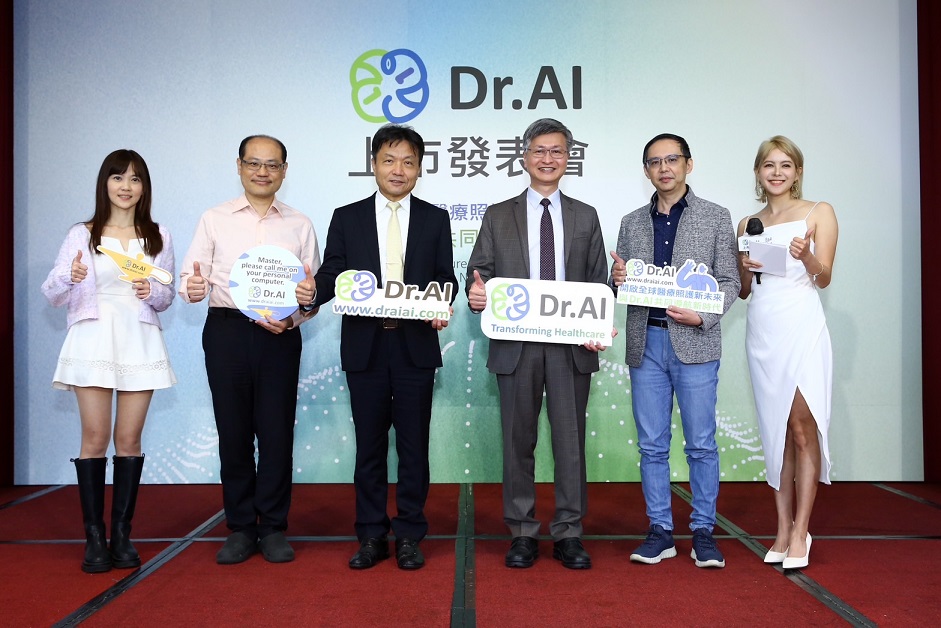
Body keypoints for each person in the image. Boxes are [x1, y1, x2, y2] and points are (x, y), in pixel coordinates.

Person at [295, 123, 456, 571]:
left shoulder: (434, 218)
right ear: (374, 165)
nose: (398, 169)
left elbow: (445, 276)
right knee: (368, 447)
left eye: (408, 162)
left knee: (413, 447)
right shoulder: (347, 217)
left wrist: (441, 303)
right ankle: (370, 535)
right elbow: (333, 273)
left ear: (419, 168)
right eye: (389, 160)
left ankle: (409, 535)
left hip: (414, 347)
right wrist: (312, 292)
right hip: (365, 346)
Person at [465, 118, 608, 570]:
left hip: (571, 348)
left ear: (569, 158)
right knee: (517, 441)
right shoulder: (498, 214)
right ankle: (522, 532)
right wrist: (476, 294)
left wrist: (599, 322)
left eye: (557, 151)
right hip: (516, 346)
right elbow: (479, 274)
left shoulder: (585, 215)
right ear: (524, 157)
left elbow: (598, 281)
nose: (548, 159)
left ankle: (569, 532)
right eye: (539, 151)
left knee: (570, 443)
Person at [180, 135, 320, 565]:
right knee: (234, 431)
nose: (263, 172)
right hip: (227, 332)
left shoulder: (299, 224)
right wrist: (193, 287)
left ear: (284, 171)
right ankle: (241, 527)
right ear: (239, 166)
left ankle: (273, 526)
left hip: (279, 336)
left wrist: (297, 314)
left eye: (272, 165)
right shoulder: (214, 218)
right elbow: (191, 279)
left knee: (277, 433)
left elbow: (312, 295)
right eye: (254, 163)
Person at [42, 149, 176, 573]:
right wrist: (70, 277)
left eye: (135, 179)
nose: (125, 186)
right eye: (118, 177)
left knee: (129, 440)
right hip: (93, 337)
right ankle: (94, 538)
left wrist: (151, 292)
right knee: (95, 437)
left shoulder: (158, 235)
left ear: (144, 187)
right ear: (105, 184)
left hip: (139, 338)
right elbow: (52, 292)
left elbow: (166, 296)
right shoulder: (82, 234)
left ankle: (121, 535)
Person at [610, 133, 740, 568]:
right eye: (654, 162)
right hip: (645, 342)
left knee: (701, 444)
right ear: (646, 170)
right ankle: (660, 530)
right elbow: (621, 282)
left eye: (672, 159)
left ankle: (703, 531)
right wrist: (617, 278)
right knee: (652, 445)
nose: (663, 168)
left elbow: (730, 281)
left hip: (696, 342)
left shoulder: (715, 216)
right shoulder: (631, 222)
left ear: (688, 164)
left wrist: (703, 317)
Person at [738, 135, 837, 570]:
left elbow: (824, 277)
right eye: (769, 165)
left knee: (801, 428)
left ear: (797, 172)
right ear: (758, 172)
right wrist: (744, 269)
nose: (776, 173)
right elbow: (745, 291)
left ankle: (801, 532)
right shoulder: (747, 224)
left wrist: (807, 256)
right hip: (762, 331)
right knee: (774, 431)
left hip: (801, 326)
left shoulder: (819, 212)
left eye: (785, 165)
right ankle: (781, 529)